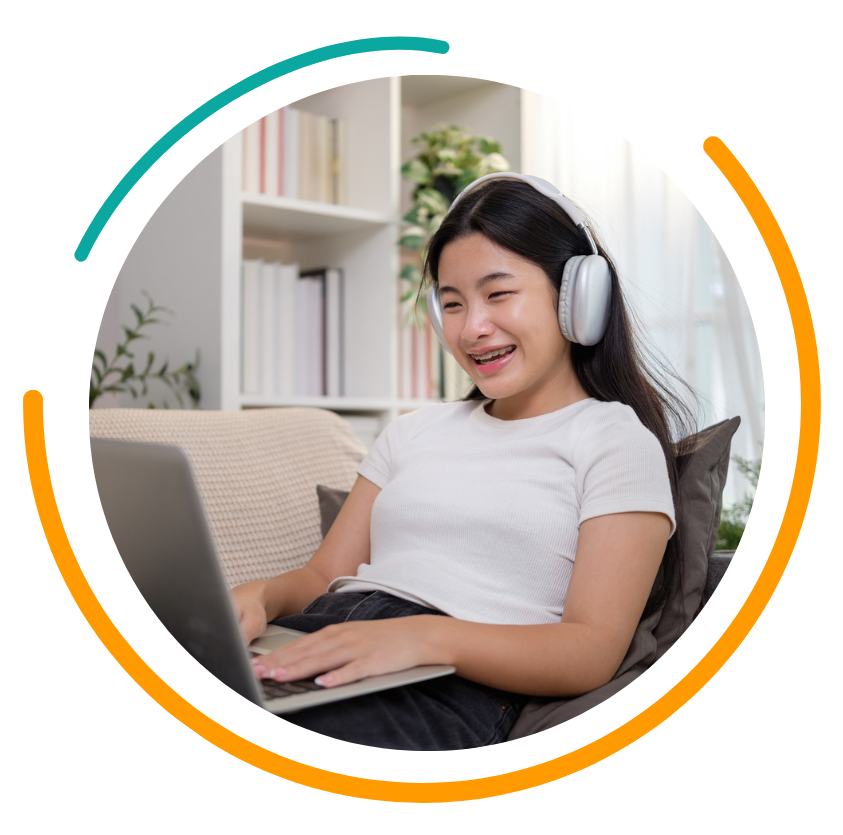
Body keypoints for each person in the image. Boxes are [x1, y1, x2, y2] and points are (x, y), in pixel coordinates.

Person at [231, 173, 696, 751]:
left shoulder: (613, 441)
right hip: (321, 638)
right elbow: (322, 577)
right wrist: (258, 596)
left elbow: (590, 650)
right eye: (452, 303)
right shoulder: (413, 432)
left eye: (499, 294)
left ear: (580, 298)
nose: (472, 328)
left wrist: (424, 639)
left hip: (447, 683)